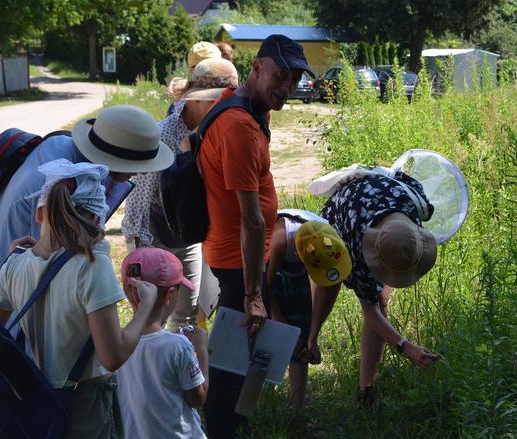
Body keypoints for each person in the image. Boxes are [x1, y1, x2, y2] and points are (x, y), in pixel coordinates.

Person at [0, 159, 158, 438]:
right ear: (97, 218)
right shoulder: (93, 267)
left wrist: (31, 266)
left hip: (35, 400)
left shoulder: (16, 264)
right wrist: (145, 310)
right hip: (85, 404)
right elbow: (112, 356)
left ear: (39, 214)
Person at [199, 34, 314, 438]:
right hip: (237, 260)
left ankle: (238, 425)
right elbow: (251, 220)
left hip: (241, 256)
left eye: (295, 80)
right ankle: (220, 431)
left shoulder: (245, 104)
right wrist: (252, 295)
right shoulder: (240, 127)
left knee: (244, 356)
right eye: (280, 76)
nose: (287, 88)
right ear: (257, 67)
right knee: (230, 364)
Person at [0, 105, 174, 312]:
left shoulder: (64, 153)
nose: (143, 174)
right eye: (139, 167)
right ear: (117, 161)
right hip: (22, 297)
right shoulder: (64, 188)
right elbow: (46, 285)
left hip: (11, 274)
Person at [122, 57, 238, 332]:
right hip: (154, 236)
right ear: (195, 100)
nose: (223, 108)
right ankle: (148, 371)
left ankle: (180, 371)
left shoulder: (217, 130)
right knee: (153, 317)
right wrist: (140, 250)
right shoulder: (162, 135)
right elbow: (139, 196)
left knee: (187, 314)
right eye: (216, 100)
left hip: (187, 236)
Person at [306, 170, 440, 404]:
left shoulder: (410, 210)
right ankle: (310, 338)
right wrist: (407, 347)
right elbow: (370, 311)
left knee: (381, 298)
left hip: (379, 208)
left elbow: (402, 176)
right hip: (342, 217)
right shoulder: (359, 248)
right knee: (332, 282)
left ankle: (367, 389)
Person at [117, 247, 209, 439]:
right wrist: (201, 350)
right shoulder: (178, 346)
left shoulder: (116, 345)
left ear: (129, 291)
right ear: (170, 295)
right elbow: (197, 398)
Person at [267, 210, 351, 419]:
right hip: (267, 274)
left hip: (297, 270)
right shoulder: (279, 241)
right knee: (265, 336)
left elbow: (328, 288)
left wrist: (312, 337)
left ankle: (297, 412)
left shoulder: (332, 246)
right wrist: (285, 331)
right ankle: (260, 404)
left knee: (302, 339)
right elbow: (262, 289)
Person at [167, 41, 222, 116]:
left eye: (217, 66)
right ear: (192, 70)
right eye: (204, 68)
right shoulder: (182, 103)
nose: (212, 72)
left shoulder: (226, 92)